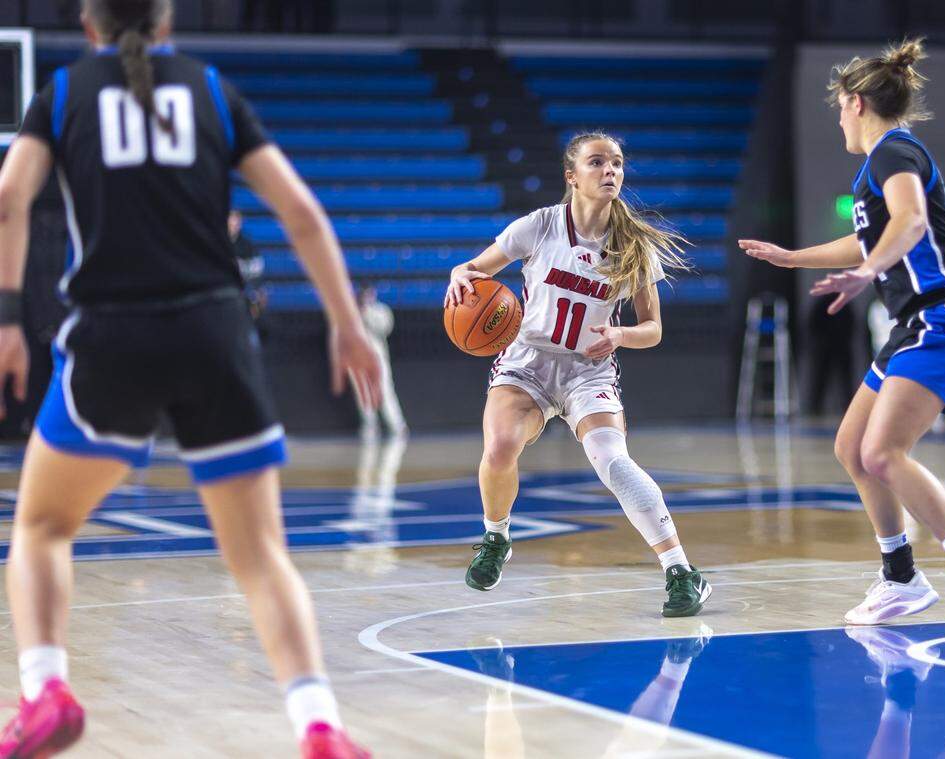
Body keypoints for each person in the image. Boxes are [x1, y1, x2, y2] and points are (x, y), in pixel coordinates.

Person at [0, 1, 379, 756]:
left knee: (42, 529)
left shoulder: (66, 92)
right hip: (214, 333)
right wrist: (347, 322)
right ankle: (319, 725)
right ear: (166, 23)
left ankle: (46, 690)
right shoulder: (211, 90)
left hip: (113, 333)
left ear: (88, 24)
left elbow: (8, 198)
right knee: (261, 556)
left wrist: (8, 319)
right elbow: (301, 212)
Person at [739, 39, 945, 634]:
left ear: (857, 101)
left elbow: (911, 219)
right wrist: (793, 258)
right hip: (912, 323)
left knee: (881, 453)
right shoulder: (876, 166)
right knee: (852, 448)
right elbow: (869, 239)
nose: (838, 118)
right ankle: (900, 578)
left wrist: (868, 273)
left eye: (839, 107)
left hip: (944, 315)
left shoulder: (896, 152)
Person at [444, 131, 711, 617]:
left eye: (617, 163)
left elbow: (652, 329)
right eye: (597, 162)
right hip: (528, 362)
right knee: (500, 446)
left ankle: (681, 570)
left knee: (614, 463)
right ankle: (496, 537)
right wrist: (459, 274)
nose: (610, 171)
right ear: (573, 176)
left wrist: (620, 335)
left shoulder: (634, 245)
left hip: (589, 371)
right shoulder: (539, 227)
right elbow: (475, 269)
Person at [356, 286, 407, 439]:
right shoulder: (353, 312)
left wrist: (368, 313)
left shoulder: (380, 310)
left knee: (386, 391)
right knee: (363, 392)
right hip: (359, 359)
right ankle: (370, 426)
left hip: (378, 358)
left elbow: (385, 328)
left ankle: (397, 426)